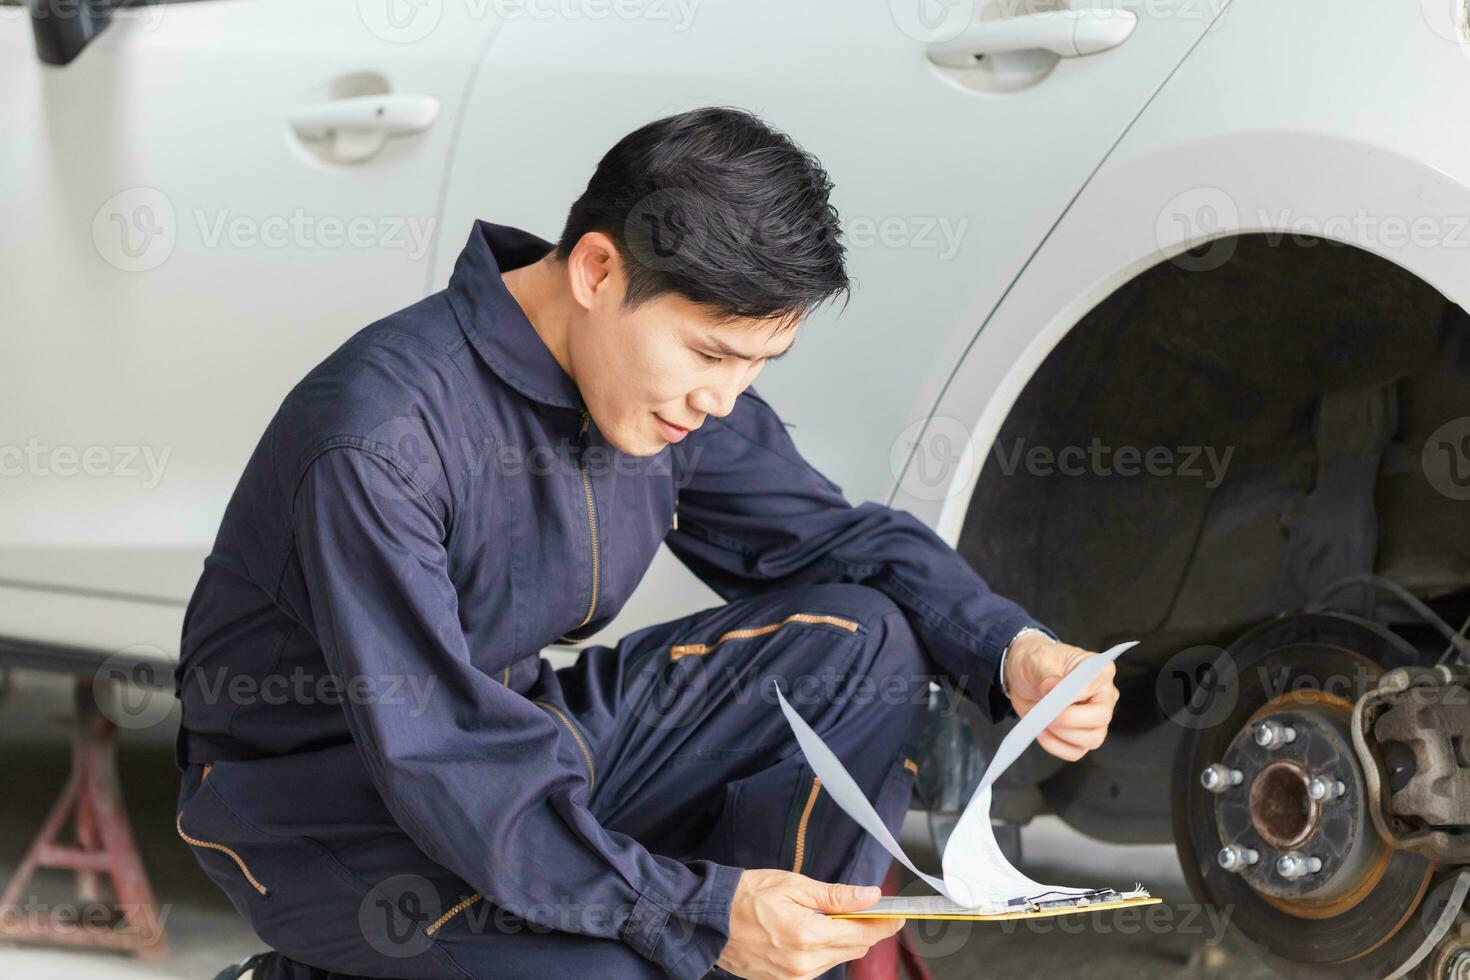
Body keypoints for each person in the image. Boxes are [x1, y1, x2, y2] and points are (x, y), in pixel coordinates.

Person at [175, 105, 1119, 980]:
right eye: (710, 354)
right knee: (637, 963)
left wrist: (1011, 648)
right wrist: (694, 912)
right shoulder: (379, 441)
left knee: (864, 641)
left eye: (756, 366)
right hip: (334, 819)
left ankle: (776, 946)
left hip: (523, 752)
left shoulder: (669, 399)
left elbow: (844, 542)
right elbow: (443, 756)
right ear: (596, 271)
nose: (724, 399)